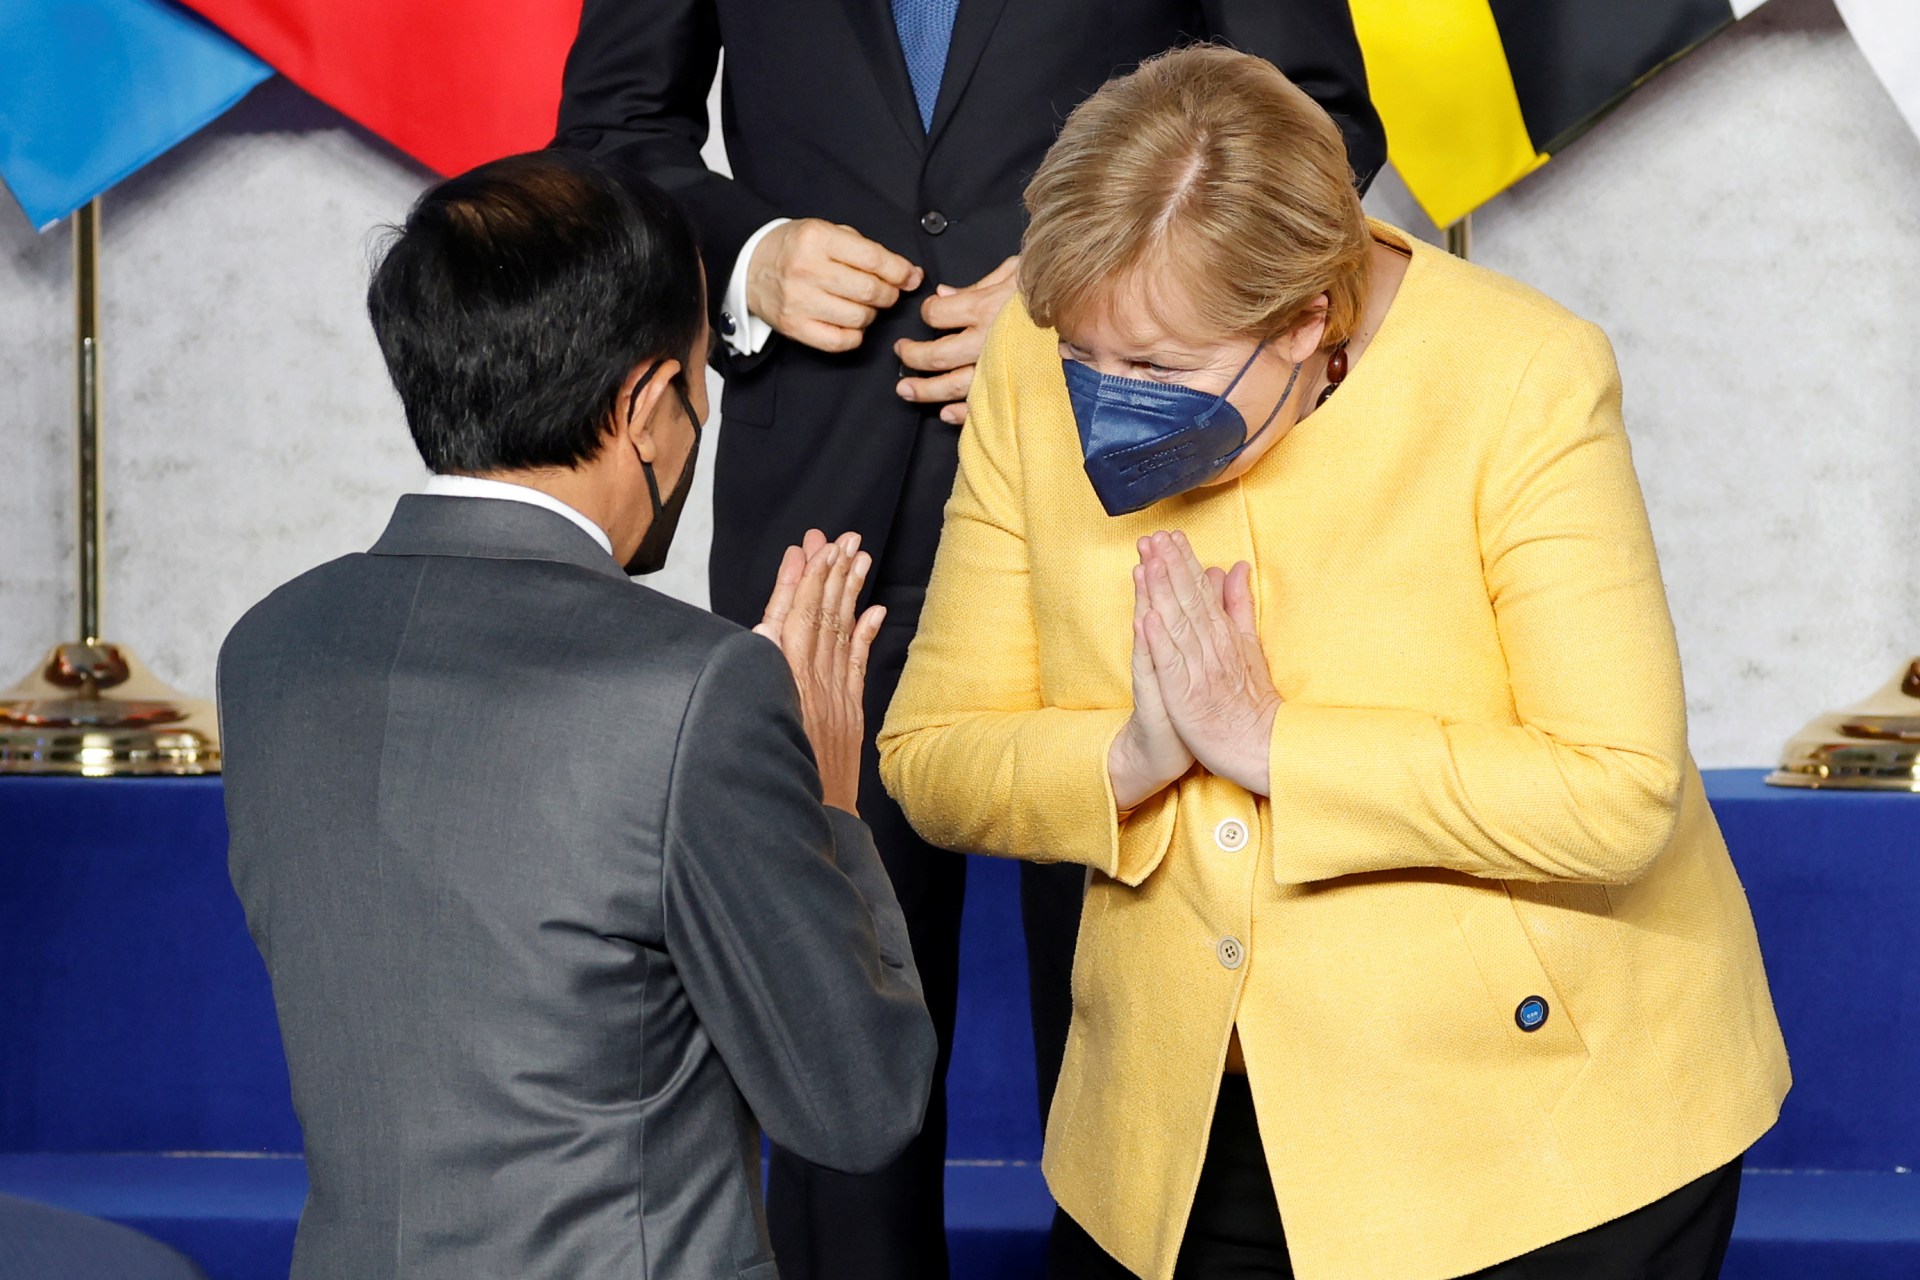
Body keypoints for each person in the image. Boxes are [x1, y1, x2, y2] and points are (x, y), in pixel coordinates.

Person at [879, 46, 1790, 1280]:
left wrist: (1274, 745)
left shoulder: (1523, 375)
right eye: (1086, 359)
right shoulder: (1037, 372)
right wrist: (1133, 751)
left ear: (1310, 318)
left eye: (1158, 371)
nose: (1101, 403)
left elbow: (1619, 788)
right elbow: (931, 752)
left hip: (1544, 1150)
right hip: (1174, 1144)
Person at [552, 9, 1385, 1276]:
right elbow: (611, 130)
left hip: (1120, 475)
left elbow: (1316, 109)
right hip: (823, 504)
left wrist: (1100, 278)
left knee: (1136, 969)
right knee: (825, 969)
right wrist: (751, 256)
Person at [219, 150, 936, 1280]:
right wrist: (829, 803)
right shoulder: (696, 690)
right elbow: (855, 1103)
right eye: (699, 385)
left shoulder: (268, 652)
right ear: (648, 408)